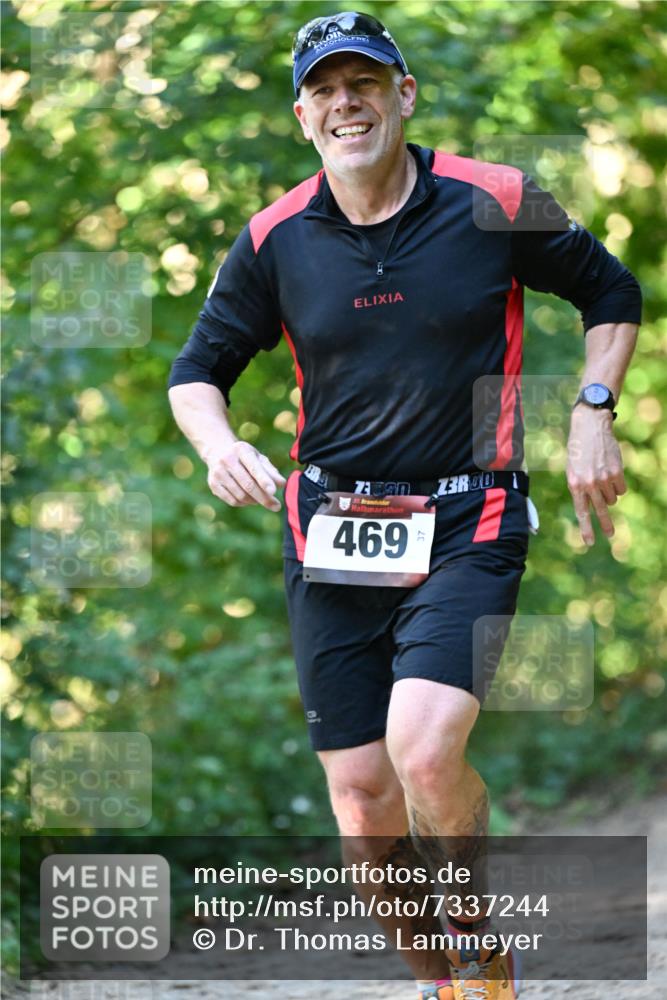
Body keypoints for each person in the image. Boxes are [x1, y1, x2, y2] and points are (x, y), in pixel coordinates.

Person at [168, 11, 641, 999]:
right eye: (327, 91)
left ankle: (471, 937)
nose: (349, 105)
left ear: (404, 95)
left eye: (365, 85)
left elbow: (610, 292)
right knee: (362, 804)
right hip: (330, 530)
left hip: (469, 514)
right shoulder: (273, 238)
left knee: (424, 751)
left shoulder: (495, 198)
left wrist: (594, 407)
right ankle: (458, 982)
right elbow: (196, 371)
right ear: (304, 116)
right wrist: (220, 446)